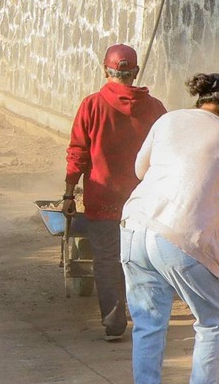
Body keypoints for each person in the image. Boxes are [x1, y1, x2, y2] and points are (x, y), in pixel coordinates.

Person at [120, 73, 219, 384]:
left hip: (136, 227)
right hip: (182, 237)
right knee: (213, 321)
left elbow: (141, 170)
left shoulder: (168, 120)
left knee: (149, 323)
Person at [63, 44, 167, 342]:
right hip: (144, 199)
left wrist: (69, 193)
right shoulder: (156, 108)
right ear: (134, 73)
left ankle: (114, 321)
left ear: (105, 71)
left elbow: (78, 153)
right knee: (142, 258)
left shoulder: (92, 105)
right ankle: (147, 317)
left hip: (102, 197)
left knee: (107, 259)